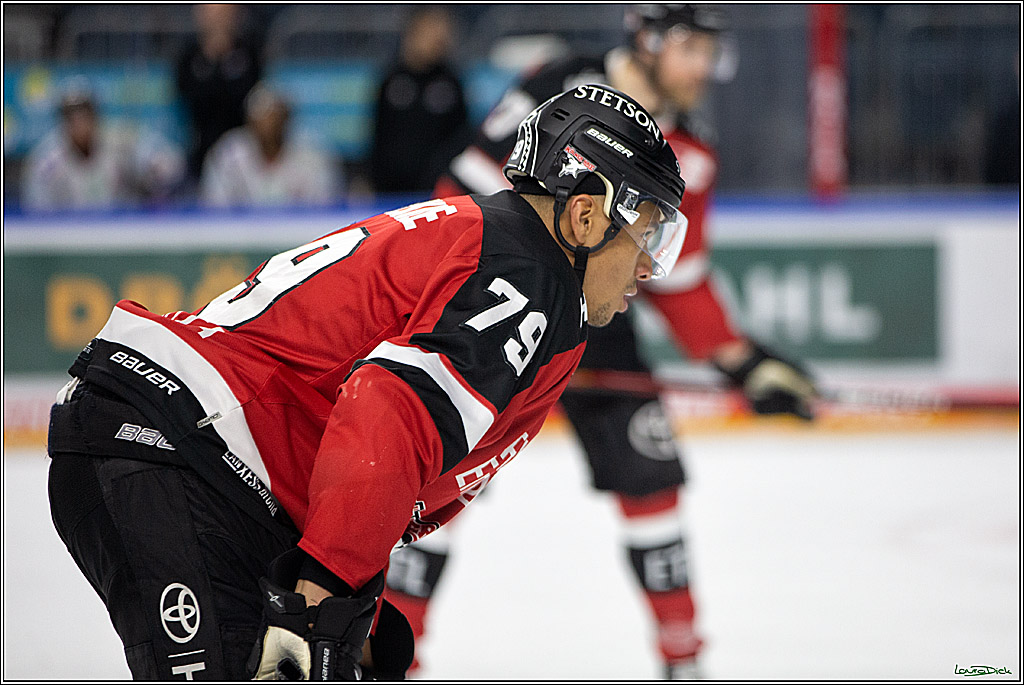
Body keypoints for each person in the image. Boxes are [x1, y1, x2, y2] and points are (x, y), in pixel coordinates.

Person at [46, 85, 689, 680]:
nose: (649, 266)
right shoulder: (530, 276)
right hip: (182, 455)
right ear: (584, 216)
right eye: (647, 236)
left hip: (178, 445)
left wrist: (356, 607)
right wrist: (324, 592)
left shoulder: (497, 244)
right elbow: (391, 405)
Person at [385, 4, 817, 679]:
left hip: (597, 315)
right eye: (689, 48)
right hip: (499, 306)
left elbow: (679, 278)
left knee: (652, 482)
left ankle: (684, 661)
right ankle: (386, 656)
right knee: (435, 483)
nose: (703, 67)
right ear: (646, 39)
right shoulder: (557, 85)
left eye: (712, 52)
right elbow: (462, 194)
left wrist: (745, 361)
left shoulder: (694, 150)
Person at [22, 85, 185, 211]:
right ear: (63, 121)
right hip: (66, 238)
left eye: (84, 114)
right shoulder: (46, 159)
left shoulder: (119, 140)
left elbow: (169, 163)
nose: (79, 123)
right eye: (71, 116)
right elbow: (36, 209)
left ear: (95, 116)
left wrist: (152, 173)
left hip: (120, 232)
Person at [369, 5, 469, 194]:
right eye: (431, 30)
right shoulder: (391, 79)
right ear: (413, 32)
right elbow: (378, 135)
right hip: (392, 192)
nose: (439, 38)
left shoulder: (451, 82)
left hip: (437, 193)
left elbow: (461, 138)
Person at [200, 82, 341, 207]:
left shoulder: (313, 153)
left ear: (286, 118)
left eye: (274, 116)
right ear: (249, 121)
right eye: (260, 117)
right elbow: (214, 207)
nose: (268, 125)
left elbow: (325, 210)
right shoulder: (229, 152)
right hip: (239, 234)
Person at [175, 3, 262, 182]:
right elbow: (188, 97)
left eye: (224, 14)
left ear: (237, 16)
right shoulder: (188, 57)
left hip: (242, 153)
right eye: (212, 14)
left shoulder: (249, 53)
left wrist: (224, 61)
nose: (218, 20)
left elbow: (250, 98)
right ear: (200, 16)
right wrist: (213, 63)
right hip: (201, 147)